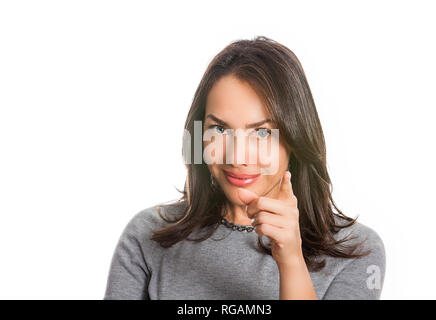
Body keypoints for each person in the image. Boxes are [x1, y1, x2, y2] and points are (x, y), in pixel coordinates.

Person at [104, 36, 386, 300]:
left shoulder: (357, 251)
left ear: (296, 139)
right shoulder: (146, 235)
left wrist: (290, 260)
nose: (238, 157)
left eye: (262, 133)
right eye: (220, 128)